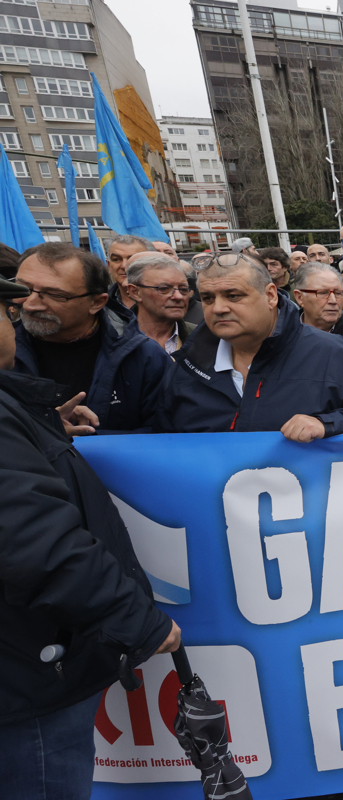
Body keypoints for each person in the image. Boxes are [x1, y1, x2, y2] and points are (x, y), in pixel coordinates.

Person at [0, 275, 182, 800]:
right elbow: (33, 540)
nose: (21, 317)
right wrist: (136, 621)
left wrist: (38, 430)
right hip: (24, 679)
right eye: (9, 308)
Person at [157, 252, 343, 438]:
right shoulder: (186, 365)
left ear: (271, 295)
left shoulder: (336, 356)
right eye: (208, 298)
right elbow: (159, 443)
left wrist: (328, 425)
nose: (218, 308)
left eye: (233, 296)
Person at [11, 243, 172, 432]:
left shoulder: (144, 357)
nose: (30, 304)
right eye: (23, 289)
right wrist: (47, 431)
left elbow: (165, 435)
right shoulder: (4, 350)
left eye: (55, 295)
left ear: (97, 302)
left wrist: (85, 439)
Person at [127, 253, 196, 354]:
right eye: (164, 289)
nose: (178, 296)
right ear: (135, 292)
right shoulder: (113, 338)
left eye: (183, 289)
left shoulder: (202, 337)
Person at [105, 234, 154, 309]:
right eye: (116, 259)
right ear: (109, 265)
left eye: (133, 259)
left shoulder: (169, 299)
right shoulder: (98, 303)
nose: (124, 266)